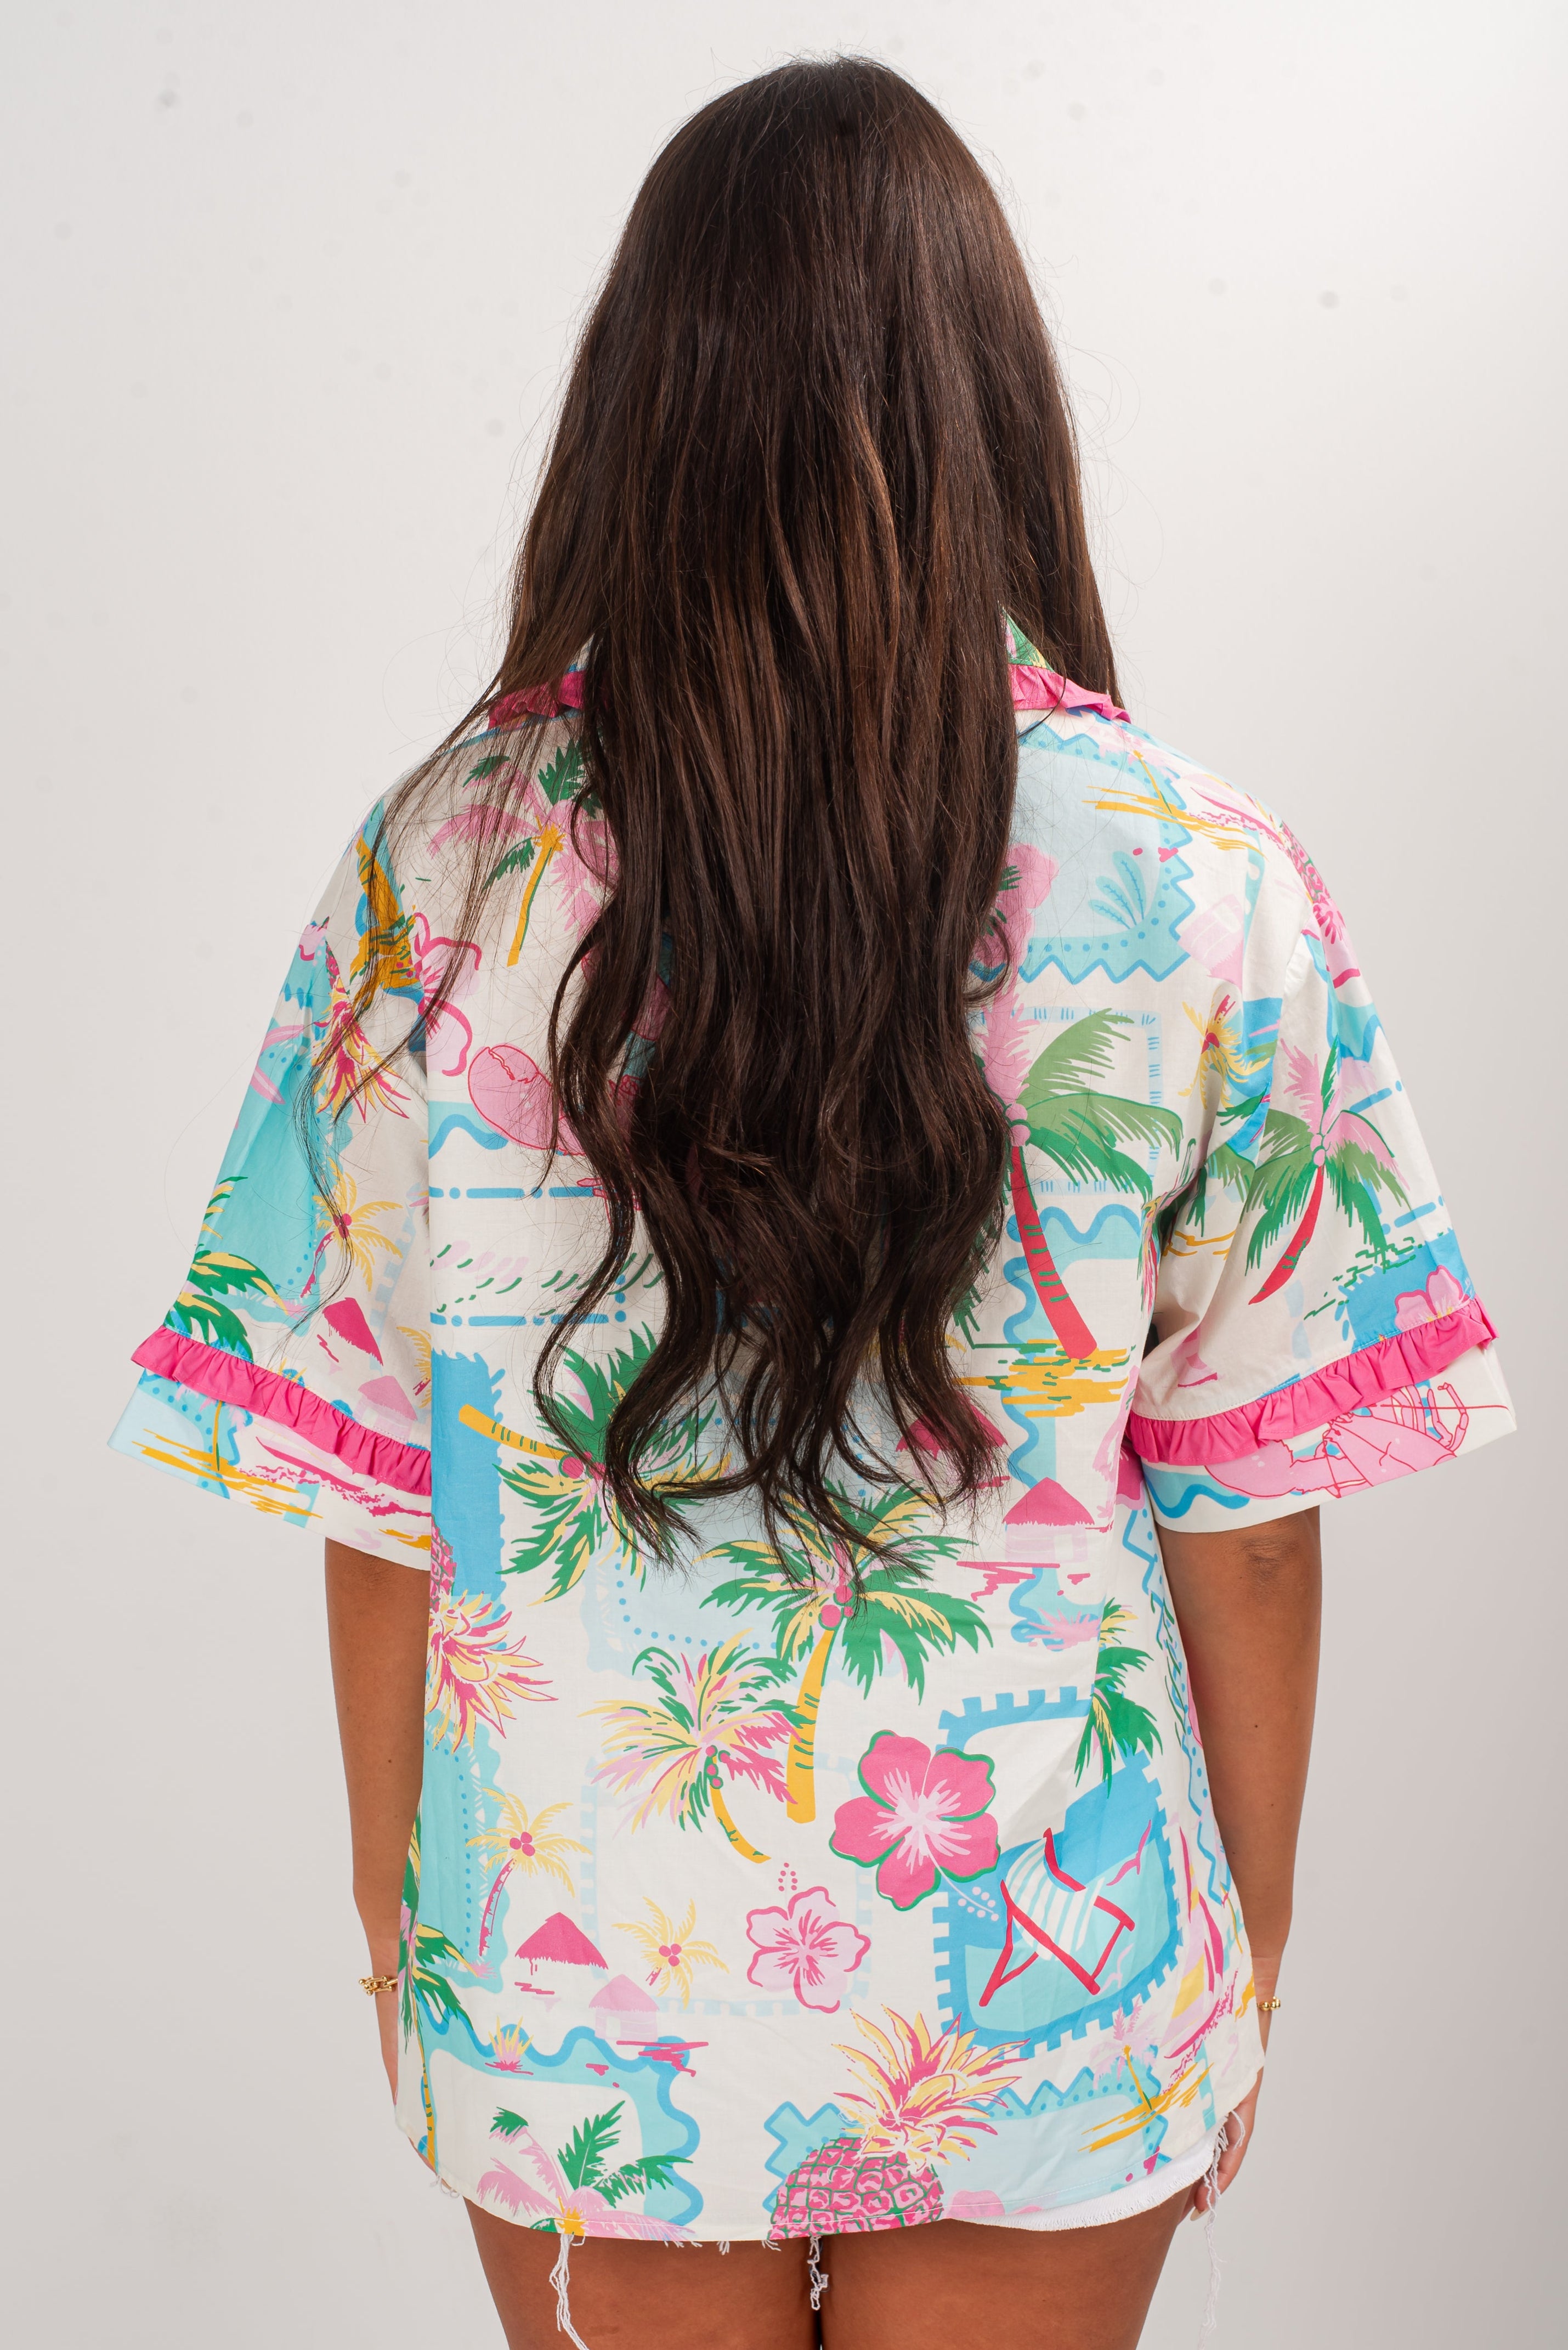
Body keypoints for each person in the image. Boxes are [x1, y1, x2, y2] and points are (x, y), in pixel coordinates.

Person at [111, 55, 1514, 2350]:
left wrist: (404, 1930)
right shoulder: (1197, 877)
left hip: (580, 1995)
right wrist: (1243, 1937)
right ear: (993, 411)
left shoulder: (440, 868)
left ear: (636, 405)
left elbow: (372, 1483)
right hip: (1047, 1980)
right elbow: (1249, 1516)